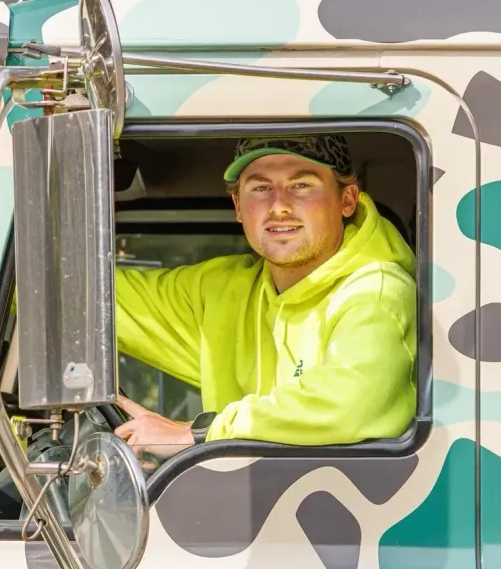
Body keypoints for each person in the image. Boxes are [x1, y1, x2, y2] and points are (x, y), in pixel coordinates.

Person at [112, 134, 417, 455]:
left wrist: (197, 435)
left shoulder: (377, 291)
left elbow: (350, 404)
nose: (280, 206)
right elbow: (88, 303)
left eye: (302, 185)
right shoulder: (219, 290)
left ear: (347, 200)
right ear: (238, 207)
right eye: (260, 188)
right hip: (241, 497)